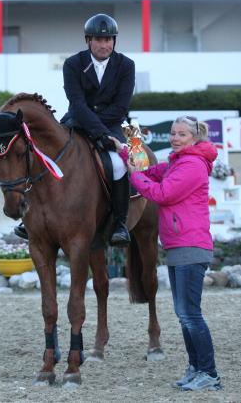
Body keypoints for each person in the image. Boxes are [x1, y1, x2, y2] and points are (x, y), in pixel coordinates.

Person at [110, 116, 221, 391]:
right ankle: (196, 369)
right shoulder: (177, 162)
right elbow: (151, 169)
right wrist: (126, 148)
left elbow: (162, 193)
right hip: (178, 245)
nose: (175, 138)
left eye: (181, 134)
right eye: (172, 133)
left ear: (194, 138)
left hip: (191, 247)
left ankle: (210, 373)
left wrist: (134, 176)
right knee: (184, 314)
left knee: (190, 314)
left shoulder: (192, 165)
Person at [14, 13, 135, 245]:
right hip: (77, 121)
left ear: (114, 41)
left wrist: (102, 132)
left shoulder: (126, 65)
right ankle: (30, 216)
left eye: (109, 39)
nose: (104, 44)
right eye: (99, 40)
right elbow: (77, 103)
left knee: (119, 164)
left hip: (112, 124)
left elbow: (120, 107)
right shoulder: (73, 64)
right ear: (88, 41)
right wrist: (96, 131)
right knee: (45, 157)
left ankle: (120, 222)